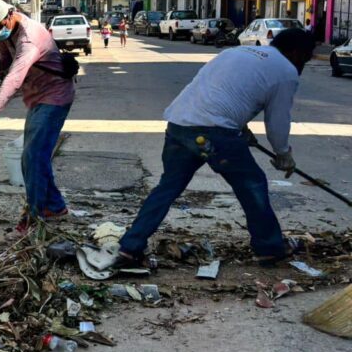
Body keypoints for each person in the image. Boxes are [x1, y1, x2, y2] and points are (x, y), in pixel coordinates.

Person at [114, 29, 316, 268]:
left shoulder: (236, 52)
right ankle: (270, 248)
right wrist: (283, 154)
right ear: (296, 52)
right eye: (306, 57)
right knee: (253, 185)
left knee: (167, 187)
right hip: (214, 133)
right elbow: (278, 122)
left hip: (180, 123)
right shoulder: (286, 72)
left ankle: (130, 247)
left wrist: (240, 130)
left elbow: (218, 93)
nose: (305, 63)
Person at [0, 0, 76, 230]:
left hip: (54, 97)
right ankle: (54, 206)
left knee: (33, 157)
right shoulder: (9, 32)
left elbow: (13, 79)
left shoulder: (29, 39)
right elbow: (6, 61)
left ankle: (35, 215)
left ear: (10, 15)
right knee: (36, 156)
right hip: (37, 97)